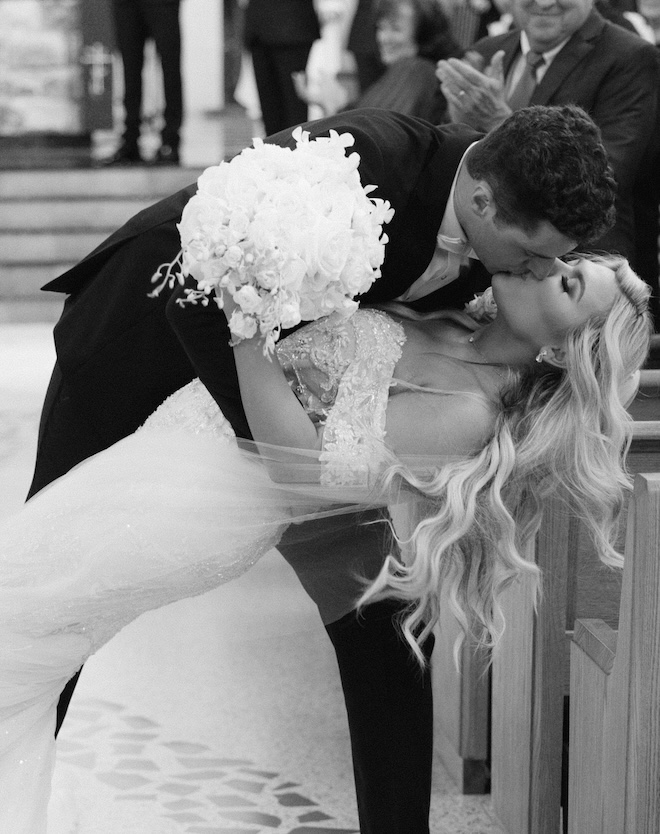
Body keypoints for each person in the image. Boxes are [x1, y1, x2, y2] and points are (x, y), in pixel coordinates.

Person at [31, 105, 616, 834]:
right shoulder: (363, 164)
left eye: (555, 264)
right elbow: (202, 259)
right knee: (55, 590)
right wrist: (266, 454)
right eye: (534, 256)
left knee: (384, 619)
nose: (539, 269)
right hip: (147, 332)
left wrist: (292, 451)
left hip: (306, 405)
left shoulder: (501, 252)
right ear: (482, 204)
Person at [435, 0, 660, 271]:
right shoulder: (487, 50)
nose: (543, 2)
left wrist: (496, 119)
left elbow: (604, 178)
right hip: (473, 257)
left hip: (576, 268)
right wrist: (461, 129)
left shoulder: (630, 56)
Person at [294, 0, 462, 120]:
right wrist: (331, 104)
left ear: (424, 33)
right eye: (381, 28)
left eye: (395, 29)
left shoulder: (415, 69)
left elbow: (369, 133)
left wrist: (333, 108)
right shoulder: (407, 73)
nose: (383, 38)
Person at [102, 0, 184, 166]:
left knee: (170, 66)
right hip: (126, 5)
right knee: (129, 67)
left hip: (163, 4)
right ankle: (130, 141)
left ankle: (170, 141)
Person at [243, 0, 320, 136]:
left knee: (293, 107)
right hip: (258, 28)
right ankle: (272, 149)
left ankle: (295, 151)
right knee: (268, 106)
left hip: (292, 27)